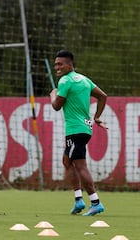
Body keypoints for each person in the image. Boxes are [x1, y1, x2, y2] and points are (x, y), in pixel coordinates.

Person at [50, 50, 107, 216]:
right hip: (84, 128)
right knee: (67, 161)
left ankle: (96, 202)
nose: (57, 67)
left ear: (70, 64)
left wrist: (53, 95)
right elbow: (103, 96)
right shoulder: (84, 79)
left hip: (75, 129)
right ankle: (78, 200)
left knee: (80, 165)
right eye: (55, 65)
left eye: (60, 64)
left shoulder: (65, 81)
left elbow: (56, 106)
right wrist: (96, 117)